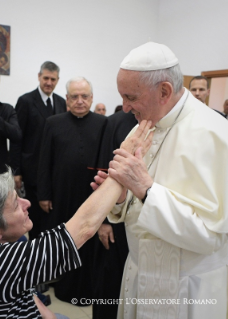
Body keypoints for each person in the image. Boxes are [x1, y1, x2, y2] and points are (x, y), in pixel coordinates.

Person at [0, 123, 152, 319]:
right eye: (16, 204)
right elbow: (84, 227)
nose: (27, 204)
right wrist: (125, 165)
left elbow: (20, 286)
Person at [93, 42, 228, 319]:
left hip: (190, 288)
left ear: (164, 91)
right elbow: (134, 208)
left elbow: (210, 236)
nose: (124, 107)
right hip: (141, 271)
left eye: (130, 97)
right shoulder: (143, 125)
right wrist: (121, 196)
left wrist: (145, 189)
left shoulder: (217, 136)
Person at [37, 76, 107, 305]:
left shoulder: (103, 123)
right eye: (74, 96)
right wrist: (44, 194)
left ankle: (88, 289)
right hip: (62, 193)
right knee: (67, 240)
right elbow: (44, 160)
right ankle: (65, 287)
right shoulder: (53, 122)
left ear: (91, 98)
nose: (79, 101)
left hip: (92, 194)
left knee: (89, 242)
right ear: (66, 99)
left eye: (84, 96)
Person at [11, 61, 66, 239]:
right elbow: (17, 138)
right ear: (39, 77)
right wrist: (16, 171)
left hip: (55, 171)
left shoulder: (61, 102)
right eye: (46, 78)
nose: (49, 82)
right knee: (35, 220)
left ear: (57, 80)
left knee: (53, 219)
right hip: (32, 171)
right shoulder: (26, 101)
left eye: (53, 79)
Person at [92, 110, 137, 319]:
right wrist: (103, 220)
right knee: (112, 280)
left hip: (150, 225)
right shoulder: (115, 122)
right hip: (117, 218)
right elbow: (102, 172)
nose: (127, 104)